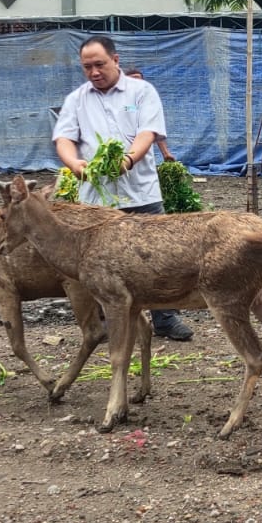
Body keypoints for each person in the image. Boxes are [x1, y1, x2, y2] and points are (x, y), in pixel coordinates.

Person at [53, 35, 193, 341]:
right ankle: (106, 320)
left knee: (157, 256)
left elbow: (148, 132)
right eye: (87, 67)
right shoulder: (77, 99)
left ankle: (165, 318)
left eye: (99, 64)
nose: (93, 72)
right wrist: (75, 164)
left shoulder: (142, 92)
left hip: (141, 192)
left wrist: (128, 159)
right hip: (96, 201)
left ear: (115, 60)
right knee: (99, 261)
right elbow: (63, 138)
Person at [123, 68, 175, 162]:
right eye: (132, 80)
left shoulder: (147, 103)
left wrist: (166, 153)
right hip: (121, 152)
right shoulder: (118, 101)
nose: (136, 83)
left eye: (138, 79)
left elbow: (154, 129)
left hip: (143, 154)